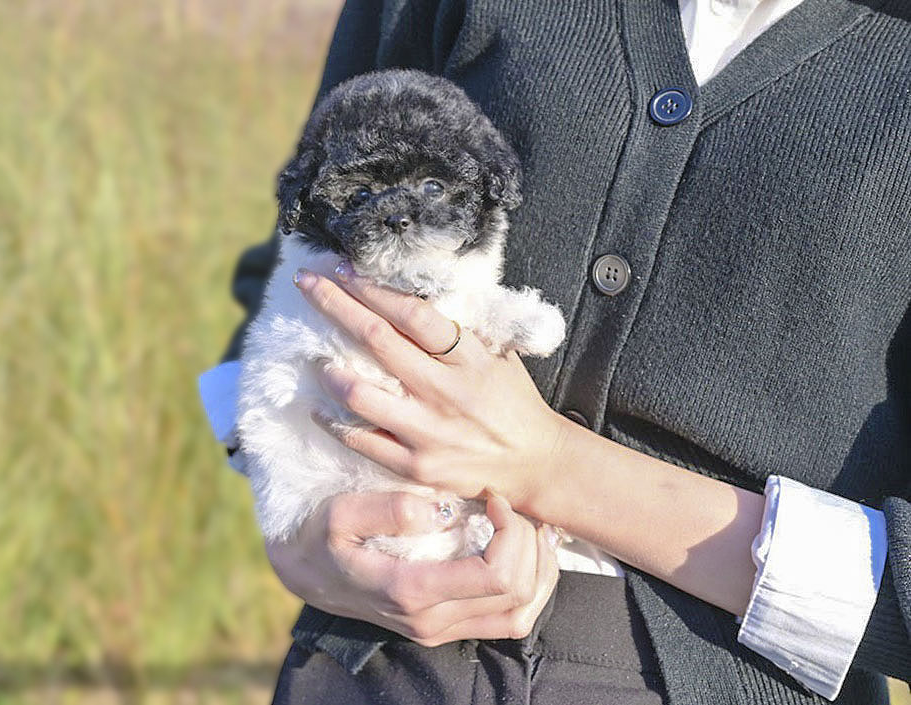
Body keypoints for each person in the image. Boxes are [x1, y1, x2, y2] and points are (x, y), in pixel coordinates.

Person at [200, 0, 911, 702]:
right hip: (370, 653)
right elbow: (304, 236)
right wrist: (298, 535)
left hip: (733, 673)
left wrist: (551, 465)